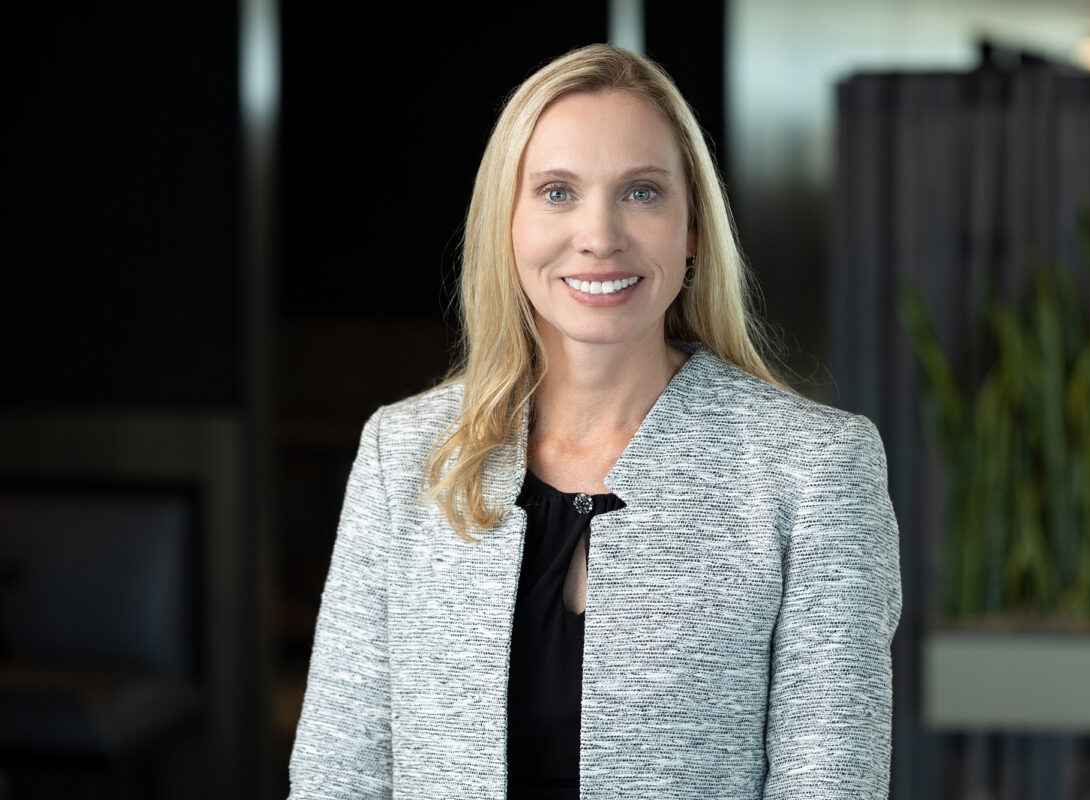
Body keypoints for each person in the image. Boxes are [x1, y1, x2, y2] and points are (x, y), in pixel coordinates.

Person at [288, 43, 901, 800]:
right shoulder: (402, 453)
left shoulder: (814, 469)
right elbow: (337, 773)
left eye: (642, 192)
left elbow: (830, 783)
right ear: (505, 224)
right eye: (556, 192)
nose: (600, 234)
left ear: (694, 229)